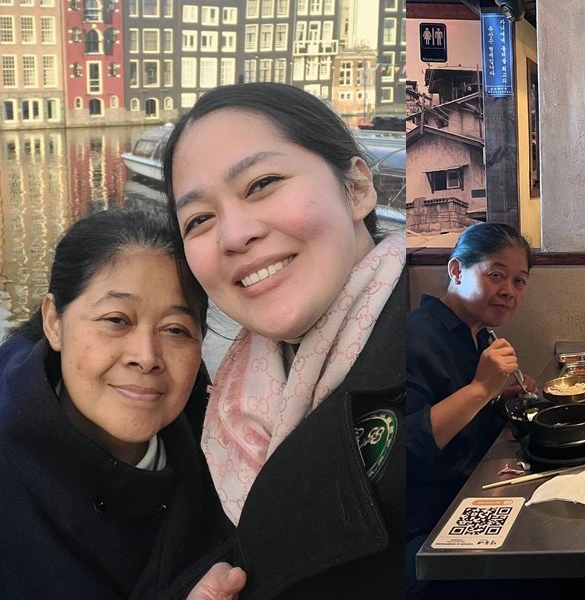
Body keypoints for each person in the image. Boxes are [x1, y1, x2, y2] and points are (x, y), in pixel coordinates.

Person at [0, 209, 237, 599]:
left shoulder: (231, 481)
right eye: (116, 320)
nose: (146, 355)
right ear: (54, 322)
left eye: (176, 330)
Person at [164, 82, 406, 599]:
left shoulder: (418, 371)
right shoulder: (227, 410)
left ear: (358, 188)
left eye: (261, 183)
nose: (233, 235)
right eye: (200, 219)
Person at [405, 222, 536, 599]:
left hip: (473, 494)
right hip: (429, 528)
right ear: (457, 270)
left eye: (519, 281)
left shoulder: (476, 333)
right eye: (496, 275)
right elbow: (407, 447)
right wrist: (481, 388)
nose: (508, 291)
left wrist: (500, 396)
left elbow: (459, 409)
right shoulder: (416, 337)